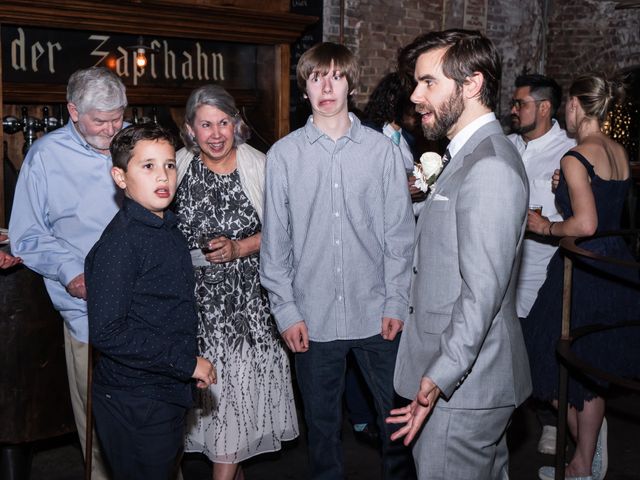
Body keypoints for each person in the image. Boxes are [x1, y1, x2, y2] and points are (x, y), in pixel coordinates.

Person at [260, 42, 416, 479]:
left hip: (377, 313)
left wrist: (396, 301)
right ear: (304, 88)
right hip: (312, 317)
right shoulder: (284, 156)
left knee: (398, 426)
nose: (326, 86)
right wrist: (286, 311)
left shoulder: (380, 151)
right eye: (315, 77)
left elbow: (399, 236)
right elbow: (276, 246)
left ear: (350, 82)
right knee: (323, 432)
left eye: (335, 76)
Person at [387, 30, 532, 479]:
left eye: (429, 82)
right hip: (468, 381)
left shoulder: (489, 166)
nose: (415, 96)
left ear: (471, 84)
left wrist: (438, 377)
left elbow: (481, 294)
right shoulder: (469, 154)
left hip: (465, 387)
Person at [173, 84, 298, 480]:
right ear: (191, 129)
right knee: (222, 423)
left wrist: (240, 247)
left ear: (236, 123)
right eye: (205, 124)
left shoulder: (260, 164)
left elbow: (287, 230)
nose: (215, 133)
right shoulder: (175, 166)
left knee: (230, 414)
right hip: (194, 312)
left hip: (248, 311)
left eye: (223, 122)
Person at [9, 66, 127, 479]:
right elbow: (27, 233)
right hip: (87, 312)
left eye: (119, 117)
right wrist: (69, 271)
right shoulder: (45, 156)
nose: (112, 129)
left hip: (143, 306)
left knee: (152, 420)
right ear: (73, 111)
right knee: (97, 422)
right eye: (101, 120)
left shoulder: (134, 142)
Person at [524, 73, 639, 480]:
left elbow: (585, 223)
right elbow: (605, 205)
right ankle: (583, 457)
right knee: (589, 367)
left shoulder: (575, 157)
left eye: (565, 107)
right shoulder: (618, 151)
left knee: (549, 358)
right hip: (614, 268)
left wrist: (545, 228)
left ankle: (583, 455)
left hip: (583, 269)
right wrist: (565, 188)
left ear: (574, 105)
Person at [85, 123, 217, 479]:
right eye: (148, 166)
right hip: (135, 398)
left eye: (170, 165)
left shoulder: (166, 228)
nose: (163, 176)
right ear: (120, 176)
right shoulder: (122, 243)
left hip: (162, 388)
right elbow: (108, 331)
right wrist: (185, 363)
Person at [508, 73, 576, 455]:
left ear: (545, 107)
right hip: (507, 271)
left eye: (521, 104)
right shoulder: (507, 144)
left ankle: (555, 424)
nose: (514, 110)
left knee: (544, 353)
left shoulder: (568, 150)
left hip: (544, 273)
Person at [362, 71, 426, 216]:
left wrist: (420, 189)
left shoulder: (410, 139)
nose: (418, 110)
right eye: (412, 104)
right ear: (393, 101)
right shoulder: (368, 135)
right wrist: (400, 190)